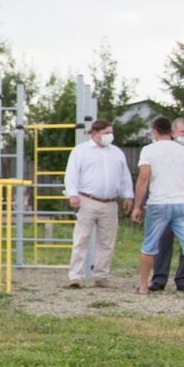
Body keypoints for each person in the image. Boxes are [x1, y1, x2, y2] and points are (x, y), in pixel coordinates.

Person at [132, 116, 184, 298]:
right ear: (171, 132)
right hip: (182, 203)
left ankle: (144, 286)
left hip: (158, 204)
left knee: (150, 245)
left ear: (154, 131)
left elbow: (144, 178)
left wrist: (137, 205)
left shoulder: (149, 150)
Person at [63, 119, 135, 289]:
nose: (110, 136)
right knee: (81, 239)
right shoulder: (81, 151)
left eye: (111, 132)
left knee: (107, 242)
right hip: (87, 200)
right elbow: (72, 174)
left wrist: (128, 195)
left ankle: (101, 276)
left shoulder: (117, 153)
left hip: (110, 202)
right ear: (95, 134)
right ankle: (76, 276)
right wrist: (72, 194)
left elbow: (125, 176)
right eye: (106, 133)